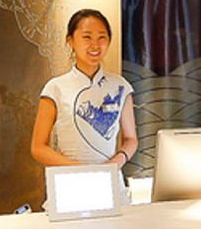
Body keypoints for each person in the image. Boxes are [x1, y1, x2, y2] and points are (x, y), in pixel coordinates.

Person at [31, 9, 138, 168]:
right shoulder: (55, 88)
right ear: (70, 41)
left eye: (102, 37)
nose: (95, 45)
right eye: (87, 37)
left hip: (109, 176)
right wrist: (78, 170)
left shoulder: (120, 86)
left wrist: (115, 163)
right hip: (69, 177)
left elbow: (131, 139)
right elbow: (38, 148)